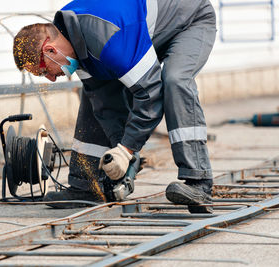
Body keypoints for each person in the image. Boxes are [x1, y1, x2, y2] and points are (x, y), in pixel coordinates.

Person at [13, 0, 216, 213]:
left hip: (190, 20)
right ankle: (87, 185)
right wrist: (122, 157)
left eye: (44, 71)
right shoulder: (73, 41)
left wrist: (127, 149)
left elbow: (151, 95)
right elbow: (106, 103)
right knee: (95, 98)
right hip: (140, 29)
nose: (51, 79)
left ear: (51, 49)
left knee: (175, 80)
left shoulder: (108, 39)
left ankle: (199, 182)